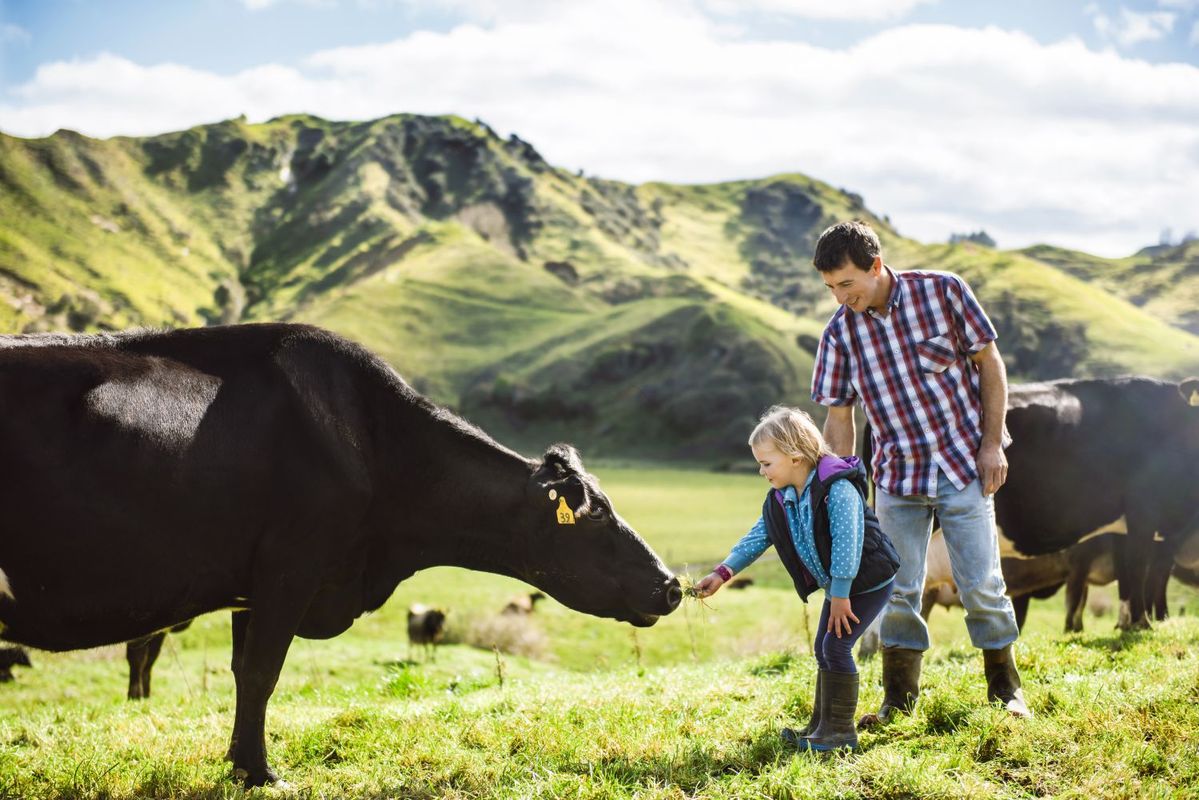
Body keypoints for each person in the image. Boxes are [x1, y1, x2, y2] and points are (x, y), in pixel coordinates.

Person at [809, 219, 1031, 725]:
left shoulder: (944, 291)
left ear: (876, 266)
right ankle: (898, 701)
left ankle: (1006, 690)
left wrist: (992, 443)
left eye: (848, 284)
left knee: (982, 584)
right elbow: (839, 417)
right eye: (830, 288)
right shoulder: (839, 334)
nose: (841, 297)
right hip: (897, 480)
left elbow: (990, 364)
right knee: (899, 591)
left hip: (962, 466)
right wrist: (834, 491)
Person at [695, 406, 899, 752]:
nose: (761, 471)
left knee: (835, 647)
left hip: (864, 583)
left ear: (794, 457)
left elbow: (847, 546)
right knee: (824, 648)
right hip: (840, 588)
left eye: (766, 463)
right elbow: (759, 536)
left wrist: (840, 596)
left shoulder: (838, 490)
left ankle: (839, 735)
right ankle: (820, 727)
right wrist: (722, 572)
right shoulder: (784, 497)